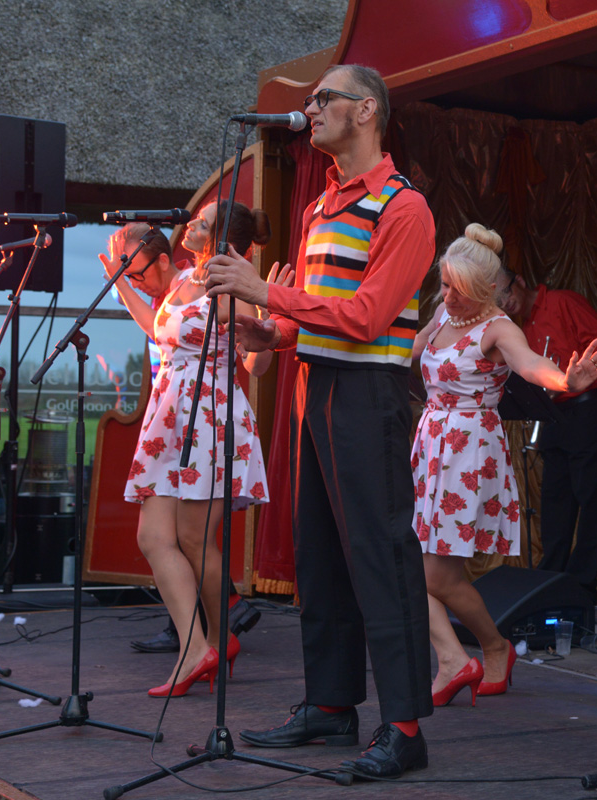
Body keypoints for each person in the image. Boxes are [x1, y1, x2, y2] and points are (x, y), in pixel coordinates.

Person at [206, 64, 435, 779]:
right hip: (316, 386)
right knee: (321, 554)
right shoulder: (319, 207)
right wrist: (271, 333)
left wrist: (266, 295)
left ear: (366, 110)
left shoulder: (403, 207)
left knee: (380, 554)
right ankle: (332, 705)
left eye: (322, 98)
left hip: (369, 393)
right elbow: (317, 311)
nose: (310, 109)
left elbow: (368, 318)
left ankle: (405, 728)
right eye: (309, 100)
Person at [412, 224, 597, 706]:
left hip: (467, 452)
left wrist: (565, 381)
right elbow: (408, 352)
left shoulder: (498, 327)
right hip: (431, 446)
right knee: (418, 568)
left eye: (459, 289)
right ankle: (480, 653)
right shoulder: (441, 314)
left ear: (486, 289)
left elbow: (529, 364)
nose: (448, 296)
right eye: (445, 284)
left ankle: (477, 654)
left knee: (433, 576)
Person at [100, 201, 274, 697]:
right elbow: (157, 328)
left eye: (202, 221)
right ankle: (197, 647)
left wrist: (265, 326)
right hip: (169, 418)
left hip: (210, 418)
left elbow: (257, 361)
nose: (190, 223)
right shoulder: (180, 281)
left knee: (196, 541)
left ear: (220, 238)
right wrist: (119, 282)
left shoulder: (230, 289)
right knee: (154, 537)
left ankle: (215, 641)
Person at [497, 267, 597, 602]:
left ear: (520, 281)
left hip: (586, 407)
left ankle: (582, 586)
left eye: (506, 293)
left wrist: (572, 375)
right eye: (498, 301)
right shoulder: (520, 328)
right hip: (552, 415)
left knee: (589, 496)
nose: (505, 303)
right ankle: (550, 583)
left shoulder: (562, 302)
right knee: (554, 499)